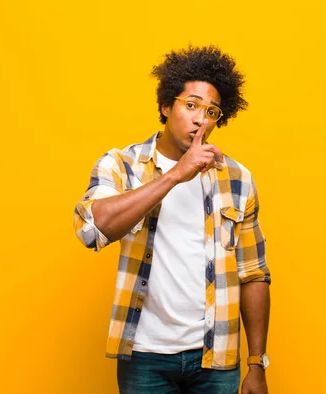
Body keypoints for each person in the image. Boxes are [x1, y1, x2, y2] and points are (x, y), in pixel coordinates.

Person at [73, 45, 271, 394]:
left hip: (216, 358)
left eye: (211, 111)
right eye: (190, 105)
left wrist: (257, 362)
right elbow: (93, 229)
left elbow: (254, 274)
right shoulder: (121, 165)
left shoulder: (238, 179)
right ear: (166, 106)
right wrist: (174, 176)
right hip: (145, 356)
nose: (200, 119)